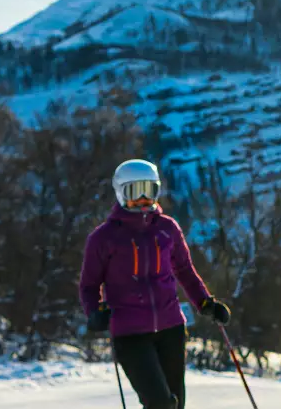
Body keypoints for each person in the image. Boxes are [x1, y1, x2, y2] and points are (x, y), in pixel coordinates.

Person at [79, 159, 232, 409]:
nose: (142, 199)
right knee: (160, 404)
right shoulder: (103, 238)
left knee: (175, 404)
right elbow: (89, 285)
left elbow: (185, 270)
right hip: (130, 333)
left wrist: (206, 303)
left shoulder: (167, 228)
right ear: (121, 193)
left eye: (148, 191)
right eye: (134, 192)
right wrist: (94, 312)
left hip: (171, 328)